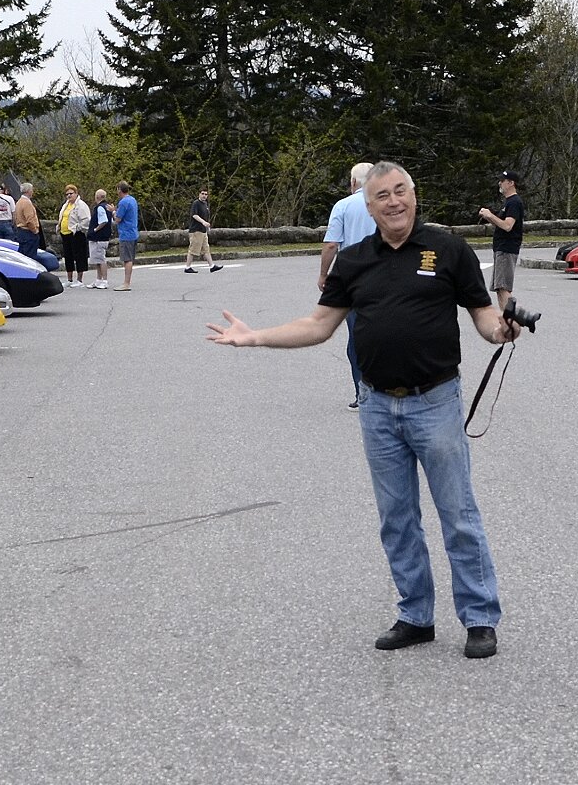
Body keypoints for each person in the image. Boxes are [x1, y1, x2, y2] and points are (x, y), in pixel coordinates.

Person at [208, 162, 516, 660]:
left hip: (435, 401)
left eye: (400, 191)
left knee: (458, 515)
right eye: (382, 196)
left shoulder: (448, 249)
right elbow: (318, 324)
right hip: (377, 406)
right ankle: (416, 615)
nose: (394, 202)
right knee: (397, 519)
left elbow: (483, 315)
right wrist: (256, 336)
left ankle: (480, 617)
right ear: (367, 207)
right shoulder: (353, 261)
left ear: (413, 195)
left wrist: (501, 330)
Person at [320, 162, 376, 405]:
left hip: (353, 280)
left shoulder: (343, 206)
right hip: (386, 275)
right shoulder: (385, 203)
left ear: (353, 182)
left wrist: (324, 275)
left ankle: (362, 392)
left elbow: (332, 244)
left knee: (356, 338)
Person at [478, 171, 526, 307]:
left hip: (507, 249)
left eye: (503, 181)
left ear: (511, 183)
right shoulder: (508, 202)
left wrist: (490, 215)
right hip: (501, 249)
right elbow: (501, 224)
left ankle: (511, 317)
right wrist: (488, 217)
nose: (500, 183)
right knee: (499, 288)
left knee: (503, 288)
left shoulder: (514, 202)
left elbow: (507, 226)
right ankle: (506, 317)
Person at [59, 185, 92, 288]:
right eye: (67, 194)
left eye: (71, 193)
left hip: (76, 234)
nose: (69, 196)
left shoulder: (81, 205)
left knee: (79, 256)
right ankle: (69, 279)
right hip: (65, 234)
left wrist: (77, 228)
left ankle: (79, 280)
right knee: (68, 256)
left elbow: (86, 220)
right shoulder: (66, 205)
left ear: (76, 193)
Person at [113, 182, 141, 290]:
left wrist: (113, 212)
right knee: (130, 258)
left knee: (127, 259)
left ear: (119, 190)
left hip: (126, 233)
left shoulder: (123, 202)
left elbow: (118, 219)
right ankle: (127, 282)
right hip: (133, 232)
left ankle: (126, 283)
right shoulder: (132, 200)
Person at [184, 187, 216, 273]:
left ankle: (212, 266)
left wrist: (206, 226)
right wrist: (203, 222)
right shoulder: (196, 203)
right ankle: (187, 267)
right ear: (199, 194)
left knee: (206, 249)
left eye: (206, 194)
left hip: (203, 231)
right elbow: (194, 215)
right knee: (193, 249)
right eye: (202, 194)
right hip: (196, 230)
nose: (204, 196)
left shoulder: (205, 204)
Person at [88, 188, 115, 288]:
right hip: (103, 237)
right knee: (97, 260)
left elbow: (104, 221)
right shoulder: (107, 207)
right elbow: (112, 221)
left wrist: (95, 229)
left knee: (101, 259)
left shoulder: (100, 208)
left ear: (97, 197)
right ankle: (98, 280)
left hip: (99, 238)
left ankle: (104, 280)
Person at [12, 183, 42, 260]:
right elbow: (30, 220)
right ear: (29, 191)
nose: (32, 192)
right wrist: (35, 231)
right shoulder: (27, 203)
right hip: (28, 233)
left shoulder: (19, 202)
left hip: (21, 231)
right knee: (30, 258)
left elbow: (15, 217)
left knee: (22, 257)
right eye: (32, 190)